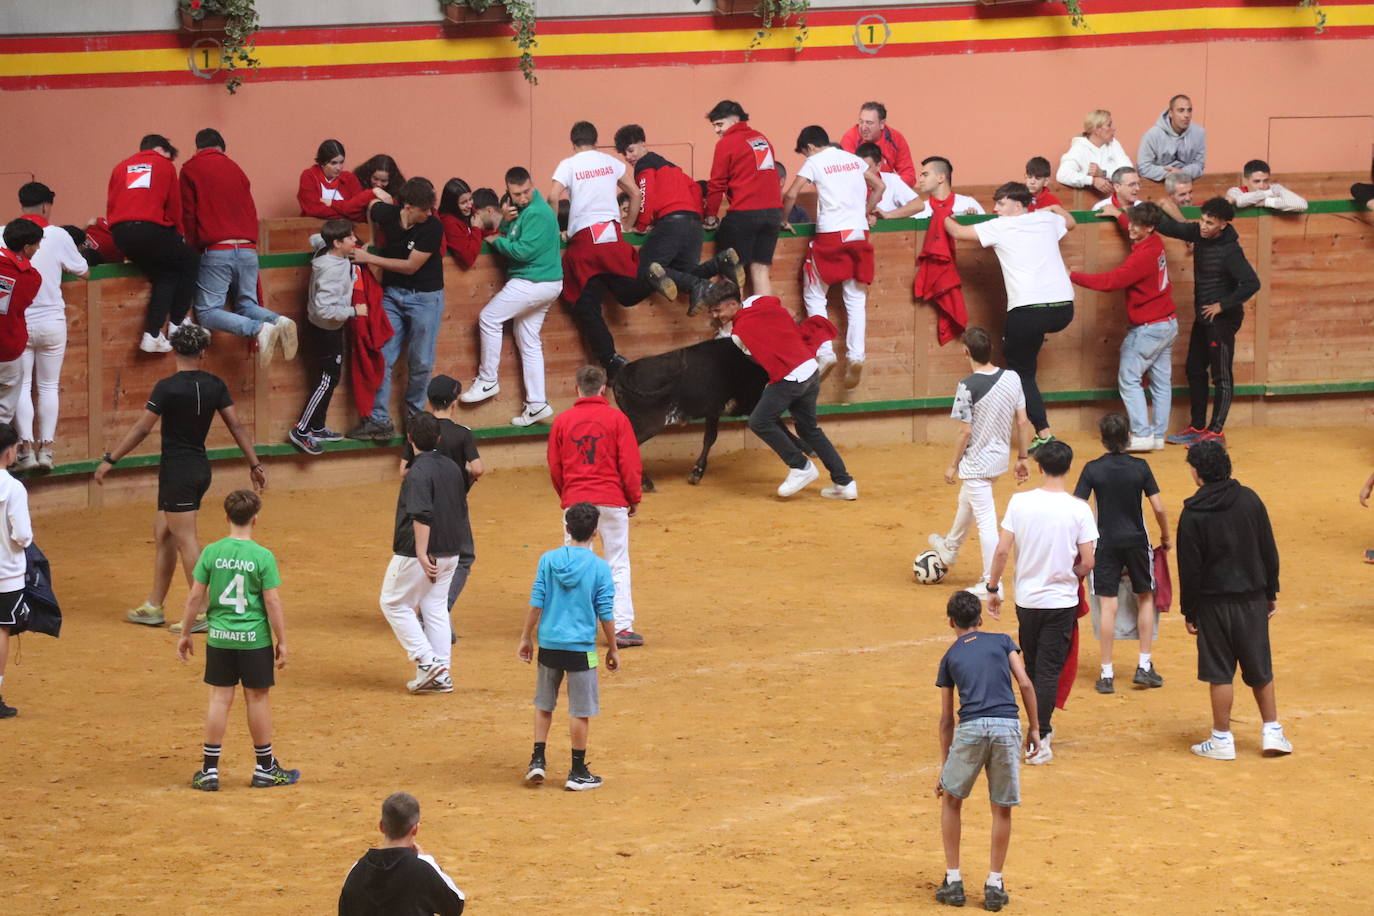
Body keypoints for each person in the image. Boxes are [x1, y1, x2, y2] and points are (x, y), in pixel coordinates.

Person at [95, 325, 267, 632]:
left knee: (186, 540)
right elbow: (237, 427)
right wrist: (254, 464)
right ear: (202, 352)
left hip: (177, 472)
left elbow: (142, 429)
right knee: (164, 534)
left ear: (175, 351)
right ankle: (153, 606)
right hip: (200, 468)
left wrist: (111, 459)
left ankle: (204, 610)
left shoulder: (167, 387)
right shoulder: (216, 384)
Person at [177, 488, 299, 791]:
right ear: (255, 519)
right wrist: (281, 640)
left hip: (219, 638)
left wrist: (185, 632)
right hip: (254, 640)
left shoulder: (211, 552)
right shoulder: (262, 556)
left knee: (220, 698)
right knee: (257, 698)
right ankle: (264, 767)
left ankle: (209, 770)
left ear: (226, 516)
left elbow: (195, 596)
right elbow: (271, 602)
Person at [1177, 439, 1291, 760]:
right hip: (1252, 599)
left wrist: (1190, 611)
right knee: (1260, 667)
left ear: (1198, 473)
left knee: (1219, 671)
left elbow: (1190, 569)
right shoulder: (1250, 500)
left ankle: (1222, 738)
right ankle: (1272, 732)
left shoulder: (1192, 514)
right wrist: (1270, 593)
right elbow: (1268, 551)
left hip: (1213, 605)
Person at [986, 440, 1097, 766]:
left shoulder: (1020, 502)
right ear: (1068, 467)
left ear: (1040, 466)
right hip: (1060, 601)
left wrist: (993, 587)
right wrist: (1069, 575)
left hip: (1027, 600)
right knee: (1048, 670)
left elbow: (1003, 550)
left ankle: (1034, 729)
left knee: (1033, 667)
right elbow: (1088, 561)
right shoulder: (1079, 508)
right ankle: (1042, 734)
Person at [943, 182, 1076, 453]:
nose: (995, 209)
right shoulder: (1046, 218)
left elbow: (956, 231)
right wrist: (1055, 207)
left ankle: (1044, 432)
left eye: (1001, 204)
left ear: (1017, 206)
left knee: (1021, 370)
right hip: (1064, 309)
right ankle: (1040, 428)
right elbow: (1070, 222)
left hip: (1028, 310)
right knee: (1027, 362)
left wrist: (938, 211)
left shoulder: (1000, 225)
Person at [933, 590, 1040, 911]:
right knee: (1001, 807)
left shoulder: (950, 657)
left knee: (952, 800)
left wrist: (945, 767)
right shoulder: (1003, 641)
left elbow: (946, 720)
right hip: (1007, 727)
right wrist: (1034, 728)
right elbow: (1024, 683)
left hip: (972, 728)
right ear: (980, 619)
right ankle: (994, 883)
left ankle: (954, 880)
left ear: (951, 621)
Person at [702, 280, 857, 499]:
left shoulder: (738, 335)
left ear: (732, 304)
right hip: (810, 368)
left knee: (759, 421)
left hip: (790, 378)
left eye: (717, 310)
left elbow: (759, 361)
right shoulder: (758, 300)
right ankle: (845, 483)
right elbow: (787, 311)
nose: (716, 316)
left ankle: (801, 467)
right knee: (809, 429)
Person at [518, 501, 620, 791]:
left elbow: (537, 602)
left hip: (549, 643)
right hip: (582, 649)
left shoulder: (548, 560)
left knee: (543, 704)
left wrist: (526, 637)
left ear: (567, 529)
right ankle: (577, 771)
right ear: (595, 533)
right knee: (580, 710)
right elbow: (606, 612)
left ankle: (537, 761)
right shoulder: (599, 568)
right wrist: (612, 648)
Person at [927, 327, 1033, 602]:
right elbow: (1022, 422)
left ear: (966, 352)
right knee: (968, 500)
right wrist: (1022, 457)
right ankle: (950, 546)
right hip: (998, 460)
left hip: (976, 462)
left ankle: (990, 582)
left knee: (986, 520)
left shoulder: (967, 386)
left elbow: (965, 432)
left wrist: (953, 465)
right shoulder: (1012, 378)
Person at [181, 128, 297, 368]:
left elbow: (189, 215)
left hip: (216, 249)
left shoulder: (190, 169)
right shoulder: (237, 170)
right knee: (247, 305)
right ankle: (280, 321)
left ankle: (259, 328)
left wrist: (192, 249)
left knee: (207, 312)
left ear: (197, 148)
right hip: (247, 249)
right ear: (223, 148)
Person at [1073, 413, 1170, 694]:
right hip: (1137, 541)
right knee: (1145, 597)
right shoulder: (1140, 467)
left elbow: (1078, 508)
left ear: (1102, 439)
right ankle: (1144, 665)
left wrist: (1081, 542)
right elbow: (1159, 508)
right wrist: (1164, 536)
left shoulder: (1092, 469)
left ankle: (1106, 673)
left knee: (1108, 604)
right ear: (1128, 437)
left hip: (1105, 543)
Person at [458, 167, 563, 427]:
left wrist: (496, 240)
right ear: (508, 191)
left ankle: (488, 380)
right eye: (517, 194)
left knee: (489, 319)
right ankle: (537, 404)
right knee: (527, 339)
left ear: (532, 185)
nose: (523, 197)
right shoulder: (521, 210)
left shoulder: (538, 212)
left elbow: (522, 251)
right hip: (542, 282)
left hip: (534, 280)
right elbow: (513, 232)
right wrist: (505, 220)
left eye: (527, 191)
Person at [548, 121, 654, 377]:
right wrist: (627, 225)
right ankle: (653, 280)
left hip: (585, 240)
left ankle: (610, 358)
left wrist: (554, 231)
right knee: (627, 292)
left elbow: (553, 197)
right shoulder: (610, 162)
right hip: (612, 235)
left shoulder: (569, 164)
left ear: (573, 144)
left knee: (585, 304)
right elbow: (636, 194)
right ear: (596, 141)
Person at [1070, 202, 1179, 450]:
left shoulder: (1142, 256)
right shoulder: (1155, 242)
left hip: (1149, 328)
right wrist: (1120, 216)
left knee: (1129, 378)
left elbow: (1111, 281)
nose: (1131, 228)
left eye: (1137, 225)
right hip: (1168, 323)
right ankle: (1158, 436)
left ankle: (1142, 434)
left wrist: (1073, 276)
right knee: (1162, 383)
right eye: (1131, 222)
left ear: (1149, 227)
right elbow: (1133, 228)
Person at [548, 366, 643, 648]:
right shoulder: (617, 419)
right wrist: (633, 497)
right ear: (603, 389)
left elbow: (555, 466)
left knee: (575, 564)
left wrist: (566, 495)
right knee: (617, 562)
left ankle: (576, 627)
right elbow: (629, 463)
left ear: (576, 388)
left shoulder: (563, 421)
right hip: (612, 499)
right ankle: (622, 626)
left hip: (577, 500)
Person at [782, 125, 884, 386]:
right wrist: (866, 211)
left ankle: (824, 352)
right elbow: (879, 186)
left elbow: (792, 193)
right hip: (859, 233)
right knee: (856, 299)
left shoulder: (814, 161)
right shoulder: (854, 159)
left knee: (814, 293)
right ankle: (856, 355)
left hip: (831, 234)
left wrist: (783, 219)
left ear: (810, 147)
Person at [1157, 198, 1260, 445]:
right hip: (1204, 317)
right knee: (1194, 368)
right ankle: (1197, 426)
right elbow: (1170, 227)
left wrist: (1222, 305)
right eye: (1202, 220)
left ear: (1223, 225)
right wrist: (1131, 213)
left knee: (1221, 375)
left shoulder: (1230, 251)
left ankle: (1216, 431)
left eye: (1210, 223)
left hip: (1222, 321)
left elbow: (1252, 283)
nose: (1203, 226)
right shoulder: (1199, 233)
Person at [379, 411, 469, 694]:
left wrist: (420, 551)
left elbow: (421, 513)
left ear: (409, 439)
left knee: (393, 603)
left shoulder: (417, 472)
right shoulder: (453, 468)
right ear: (439, 438)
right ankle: (441, 673)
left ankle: (429, 663)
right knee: (435, 607)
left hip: (421, 552)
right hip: (451, 550)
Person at [348, 178, 444, 441]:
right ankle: (379, 421)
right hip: (393, 296)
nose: (429, 213)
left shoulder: (432, 227)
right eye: (424, 209)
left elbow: (411, 266)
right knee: (382, 355)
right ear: (408, 206)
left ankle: (415, 421)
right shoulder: (388, 214)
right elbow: (371, 207)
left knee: (422, 362)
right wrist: (371, 237)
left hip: (425, 297)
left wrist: (370, 256)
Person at [613, 123, 743, 317]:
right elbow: (696, 190)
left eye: (631, 150)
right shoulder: (674, 168)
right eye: (625, 154)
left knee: (647, 269)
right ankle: (720, 263)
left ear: (643, 144)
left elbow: (643, 195)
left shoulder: (644, 164)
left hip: (672, 222)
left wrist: (640, 225)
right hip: (693, 223)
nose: (629, 157)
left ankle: (699, 286)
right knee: (686, 274)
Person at [8, 186, 86, 468]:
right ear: (45, 207)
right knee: (48, 385)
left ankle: (26, 449)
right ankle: (47, 450)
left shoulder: (4, 233)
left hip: (20, 322)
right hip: (52, 320)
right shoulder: (58, 235)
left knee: (22, 386)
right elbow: (85, 271)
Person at [106, 133, 199, 353]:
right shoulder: (164, 165)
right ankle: (178, 323)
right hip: (150, 229)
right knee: (191, 260)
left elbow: (112, 204)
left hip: (120, 233)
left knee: (166, 275)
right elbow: (174, 205)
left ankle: (153, 334)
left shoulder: (120, 167)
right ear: (162, 150)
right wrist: (179, 235)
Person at [400, 376, 482, 624]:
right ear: (455, 402)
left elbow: (404, 471)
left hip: (422, 505)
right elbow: (477, 468)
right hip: (453, 507)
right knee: (463, 557)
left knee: (424, 555)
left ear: (429, 400)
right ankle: (437, 611)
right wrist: (464, 480)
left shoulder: (419, 427)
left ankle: (424, 608)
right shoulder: (462, 434)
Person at [289, 219, 369, 455]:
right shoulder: (332, 270)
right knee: (326, 380)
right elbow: (325, 309)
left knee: (329, 378)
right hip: (326, 330)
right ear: (337, 243)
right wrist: (354, 311)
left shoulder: (325, 249)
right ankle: (301, 430)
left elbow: (316, 238)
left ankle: (317, 426)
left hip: (327, 327)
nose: (355, 241)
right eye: (350, 238)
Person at [338, 792, 466, 915]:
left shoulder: (356, 870)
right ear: (415, 829)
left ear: (382, 826)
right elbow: (455, 906)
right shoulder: (422, 869)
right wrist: (428, 860)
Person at [703, 100, 783, 295]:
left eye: (719, 124)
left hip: (744, 214)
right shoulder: (762, 139)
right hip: (773, 214)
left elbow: (716, 185)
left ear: (735, 120)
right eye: (714, 125)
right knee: (760, 269)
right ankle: (765, 320)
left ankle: (734, 326)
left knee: (732, 272)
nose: (716, 130)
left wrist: (710, 216)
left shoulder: (726, 143)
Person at [0, 424, 33, 720]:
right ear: (9, 451)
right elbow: (22, 534)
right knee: (0, 629)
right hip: (5, 572)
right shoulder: (13, 487)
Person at [0, 221, 43, 430]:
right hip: (9, 350)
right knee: (4, 412)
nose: (38, 248)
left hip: (9, 349)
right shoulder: (32, 278)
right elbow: (22, 302)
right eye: (36, 244)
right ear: (26, 248)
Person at [297, 139, 386, 220]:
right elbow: (313, 210)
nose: (339, 167)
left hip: (347, 230)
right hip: (313, 228)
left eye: (341, 162)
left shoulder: (349, 178)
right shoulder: (309, 176)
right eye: (334, 163)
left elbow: (359, 211)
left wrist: (332, 204)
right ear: (322, 163)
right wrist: (347, 211)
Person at [878, 156, 985, 221]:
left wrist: (973, 220)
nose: (920, 180)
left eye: (925, 175)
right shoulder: (919, 208)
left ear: (941, 177)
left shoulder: (968, 203)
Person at [1057, 110, 1133, 199]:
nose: (1114, 128)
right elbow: (1063, 174)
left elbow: (1128, 171)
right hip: (1088, 202)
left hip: (1115, 200)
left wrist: (1104, 173)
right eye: (1109, 125)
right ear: (1097, 130)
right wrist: (1092, 180)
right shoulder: (1079, 148)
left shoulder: (1114, 144)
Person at [839, 101, 917, 186]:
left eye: (869, 123)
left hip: (889, 190)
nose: (864, 127)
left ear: (882, 124)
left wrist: (890, 188)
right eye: (861, 122)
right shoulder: (850, 138)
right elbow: (847, 176)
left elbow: (909, 175)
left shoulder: (895, 138)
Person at [1136, 94, 1207, 182]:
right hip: (1159, 185)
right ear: (1170, 113)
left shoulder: (1199, 133)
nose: (1186, 115)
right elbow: (1143, 167)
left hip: (1187, 183)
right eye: (1181, 110)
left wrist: (1183, 172)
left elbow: (1199, 164)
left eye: (1189, 110)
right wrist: (1170, 174)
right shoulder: (1152, 135)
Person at [855, 142, 918, 213]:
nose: (863, 172)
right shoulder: (849, 182)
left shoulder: (892, 180)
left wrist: (887, 215)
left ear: (878, 166)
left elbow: (917, 205)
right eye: (859, 167)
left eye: (867, 167)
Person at [1226, 159, 1309, 212]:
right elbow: (1240, 201)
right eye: (1256, 181)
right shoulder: (1235, 191)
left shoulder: (1275, 188)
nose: (1262, 186)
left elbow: (1302, 204)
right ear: (1245, 181)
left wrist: (1267, 202)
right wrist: (1268, 193)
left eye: (1265, 181)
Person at [437, 178, 485, 269]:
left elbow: (488, 230)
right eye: (463, 203)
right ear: (452, 205)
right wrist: (476, 229)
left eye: (470, 199)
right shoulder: (449, 223)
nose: (470, 205)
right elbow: (468, 259)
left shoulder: (469, 211)